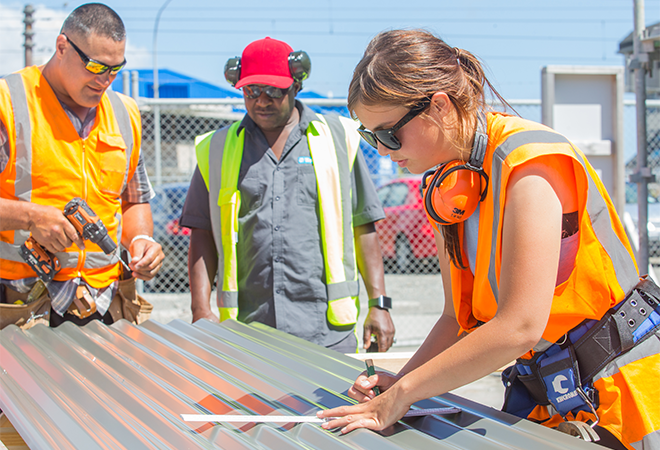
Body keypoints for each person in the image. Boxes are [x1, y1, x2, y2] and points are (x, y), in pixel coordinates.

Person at [318, 29, 660, 449]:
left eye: (388, 134)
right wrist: (398, 387)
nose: (383, 151)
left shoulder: (530, 164)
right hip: (561, 395)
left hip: (629, 395)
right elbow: (456, 321)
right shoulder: (449, 186)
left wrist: (403, 396)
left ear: (438, 106)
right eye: (369, 138)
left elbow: (519, 327)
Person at [181, 37, 395, 353]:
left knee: (336, 405)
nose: (261, 101)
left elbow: (363, 223)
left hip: (326, 332)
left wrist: (379, 303)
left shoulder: (336, 138)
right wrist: (201, 309)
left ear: (296, 85)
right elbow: (202, 233)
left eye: (273, 91)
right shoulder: (216, 149)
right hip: (247, 332)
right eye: (251, 91)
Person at [0, 3, 164, 329]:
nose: (105, 80)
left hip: (104, 305)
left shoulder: (124, 114)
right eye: (95, 66)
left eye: (115, 69)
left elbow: (133, 199)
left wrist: (141, 239)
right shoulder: (10, 103)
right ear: (62, 47)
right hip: (21, 305)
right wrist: (31, 217)